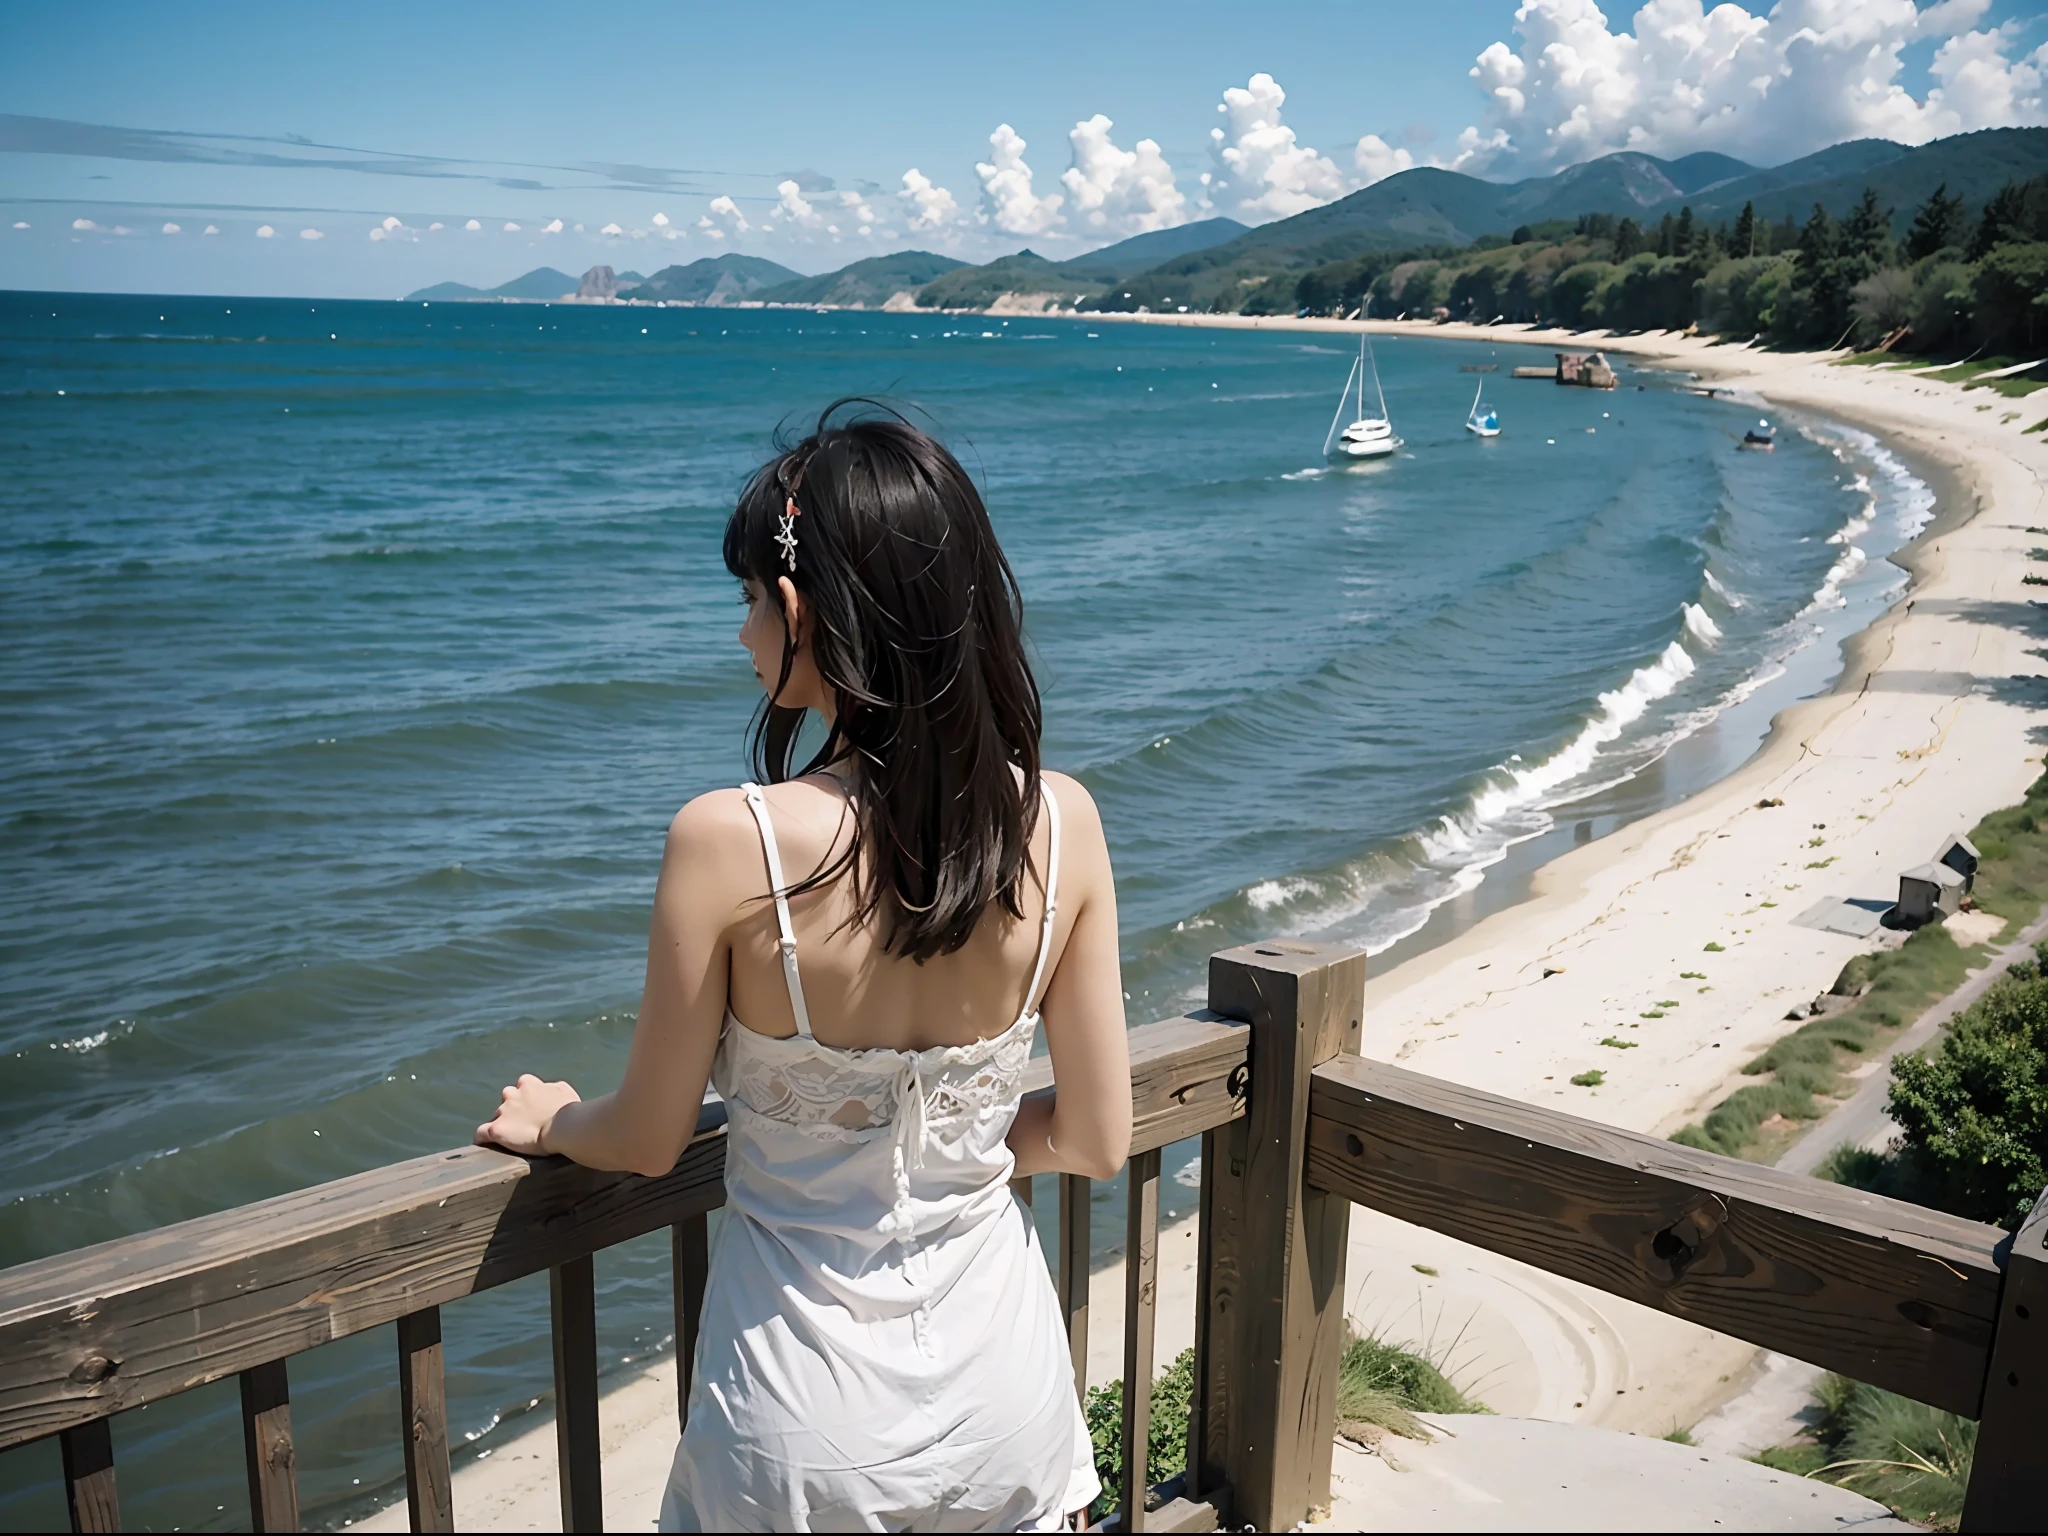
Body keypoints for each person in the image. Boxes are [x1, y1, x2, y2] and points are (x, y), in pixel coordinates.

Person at [477, 403, 1132, 1532]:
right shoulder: (1060, 822)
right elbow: (1093, 1139)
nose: (739, 633)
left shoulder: (730, 840)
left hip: (800, 1421)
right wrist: (949, 1137)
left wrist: (554, 1123)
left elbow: (643, 1136)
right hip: (1007, 1397)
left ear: (800, 608)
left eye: (748, 599)